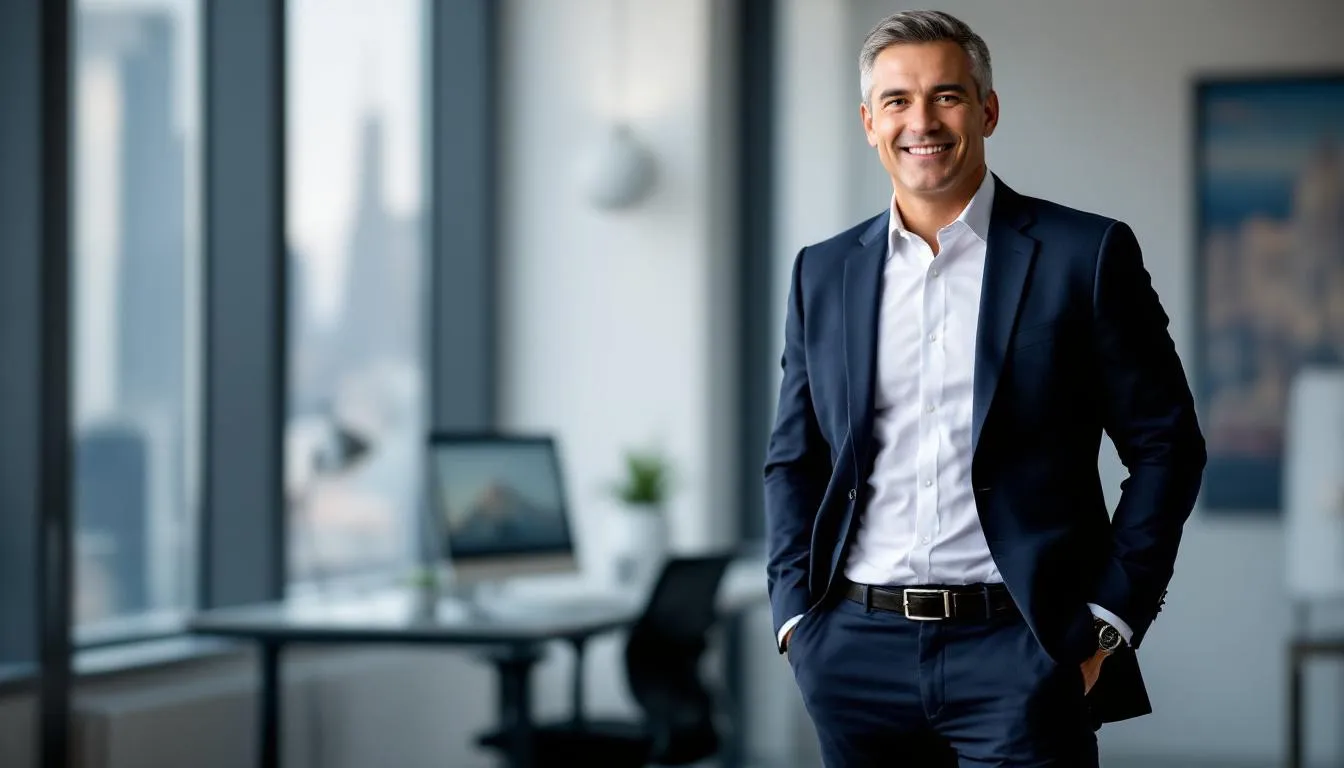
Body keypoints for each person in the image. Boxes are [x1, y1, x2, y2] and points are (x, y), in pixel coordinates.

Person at [762, 10, 1206, 767]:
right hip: (855, 656)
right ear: (869, 122)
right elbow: (795, 459)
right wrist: (796, 620)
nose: (922, 121)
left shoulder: (1086, 254)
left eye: (947, 95)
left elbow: (1168, 447)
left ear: (987, 110)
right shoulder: (822, 273)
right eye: (897, 101)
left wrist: (1107, 622)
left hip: (1022, 650)